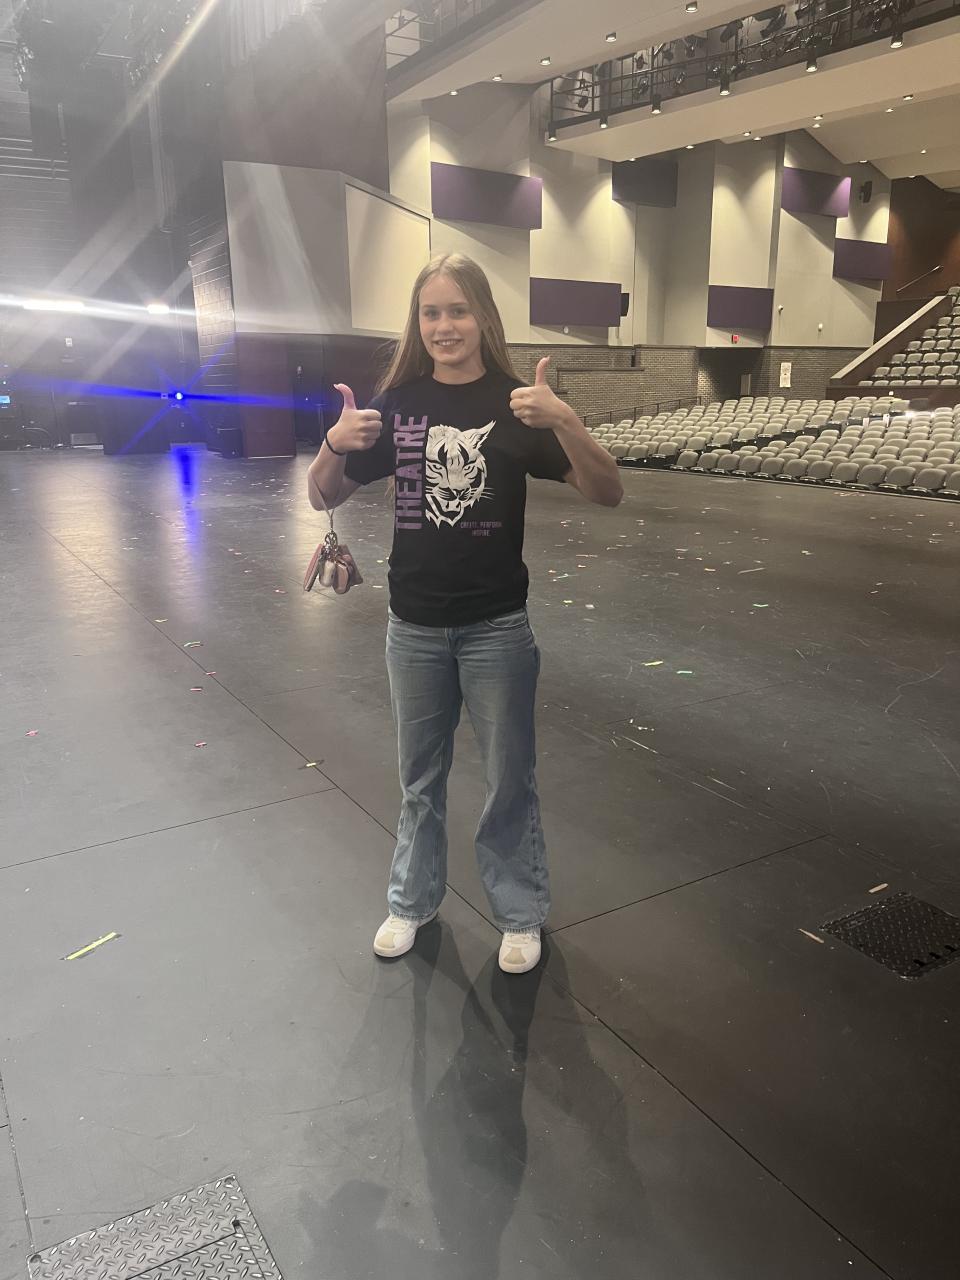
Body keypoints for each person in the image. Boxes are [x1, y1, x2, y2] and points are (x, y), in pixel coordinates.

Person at [307, 253, 622, 974]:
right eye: (431, 313)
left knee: (510, 778)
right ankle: (411, 902)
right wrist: (332, 443)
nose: (444, 325)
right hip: (413, 628)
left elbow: (607, 491)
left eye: (457, 310)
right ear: (417, 323)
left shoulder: (519, 406)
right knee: (419, 779)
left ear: (483, 317)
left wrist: (566, 419)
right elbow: (322, 496)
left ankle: (519, 913)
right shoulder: (395, 406)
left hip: (496, 629)